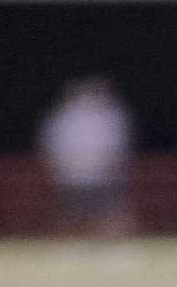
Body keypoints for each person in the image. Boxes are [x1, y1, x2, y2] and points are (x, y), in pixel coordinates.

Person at [38, 77, 136, 251]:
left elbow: (117, 143)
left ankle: (115, 248)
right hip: (72, 174)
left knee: (110, 212)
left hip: (102, 173)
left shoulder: (109, 114)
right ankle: (67, 248)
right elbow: (53, 144)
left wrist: (113, 165)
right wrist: (60, 167)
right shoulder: (64, 116)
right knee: (70, 213)